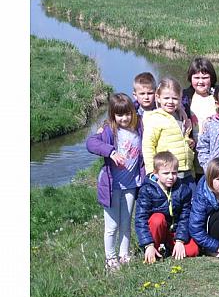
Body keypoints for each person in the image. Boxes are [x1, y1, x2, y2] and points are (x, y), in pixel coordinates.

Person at [85, 93, 146, 271]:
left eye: (128, 114)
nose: (125, 118)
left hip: (131, 185)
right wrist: (111, 152)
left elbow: (139, 102)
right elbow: (90, 143)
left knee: (126, 223)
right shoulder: (110, 131)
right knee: (112, 226)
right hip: (112, 187)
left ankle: (124, 255)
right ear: (113, 116)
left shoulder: (138, 126)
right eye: (120, 115)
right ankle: (110, 259)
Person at [134, 151, 200, 264]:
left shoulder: (183, 190)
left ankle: (169, 248)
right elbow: (140, 219)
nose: (171, 177)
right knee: (157, 219)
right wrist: (148, 243)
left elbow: (185, 217)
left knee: (193, 250)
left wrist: (180, 240)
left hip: (174, 231)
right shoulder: (146, 190)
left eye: (174, 173)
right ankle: (151, 248)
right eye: (166, 173)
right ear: (155, 173)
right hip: (157, 230)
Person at [142, 77, 196, 192]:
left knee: (191, 206)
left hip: (187, 171)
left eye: (175, 98)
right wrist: (152, 172)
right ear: (158, 98)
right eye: (166, 98)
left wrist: (188, 141)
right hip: (168, 174)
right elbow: (148, 146)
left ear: (181, 99)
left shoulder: (182, 116)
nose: (170, 102)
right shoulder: (155, 119)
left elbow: (181, 136)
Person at [181, 57, 218, 182]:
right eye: (196, 77)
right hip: (192, 155)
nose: (200, 82)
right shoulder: (185, 97)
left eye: (205, 77)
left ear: (211, 78)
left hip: (214, 155)